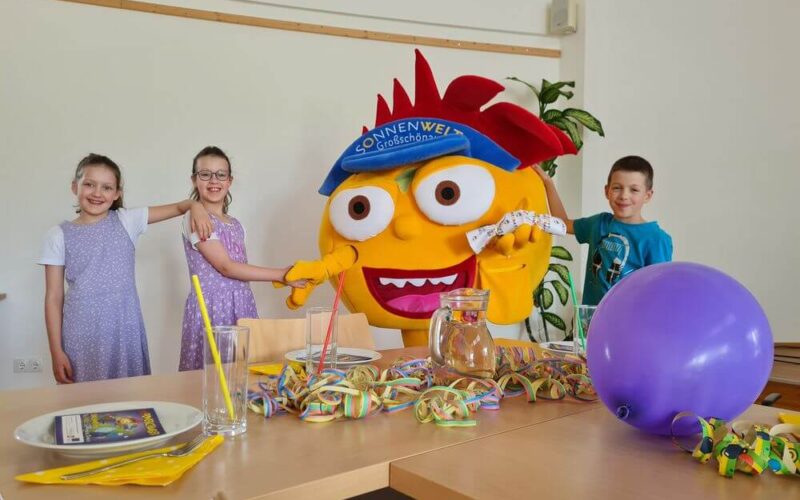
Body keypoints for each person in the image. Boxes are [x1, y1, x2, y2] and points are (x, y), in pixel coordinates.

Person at [39, 153, 211, 383]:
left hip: (124, 330)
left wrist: (195, 205)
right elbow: (53, 297)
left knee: (130, 397)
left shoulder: (127, 220)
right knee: (84, 398)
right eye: (89, 184)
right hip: (82, 334)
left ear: (117, 193)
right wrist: (56, 351)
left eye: (107, 187)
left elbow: (181, 207)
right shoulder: (58, 235)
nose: (97, 193)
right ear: (74, 186)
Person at [179, 146, 306, 371]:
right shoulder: (196, 218)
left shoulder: (236, 224)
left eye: (221, 174)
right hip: (212, 308)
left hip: (242, 303)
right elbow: (226, 267)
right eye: (205, 174)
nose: (213, 180)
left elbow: (239, 268)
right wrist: (281, 275)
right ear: (194, 180)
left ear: (229, 181)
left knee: (243, 373)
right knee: (212, 375)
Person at [534, 155, 672, 305]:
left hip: (630, 319)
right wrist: (548, 182)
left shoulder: (656, 239)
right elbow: (562, 224)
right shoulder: (598, 223)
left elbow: (659, 294)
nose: (624, 196)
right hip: (592, 317)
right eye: (617, 188)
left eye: (634, 190)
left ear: (647, 196)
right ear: (607, 191)